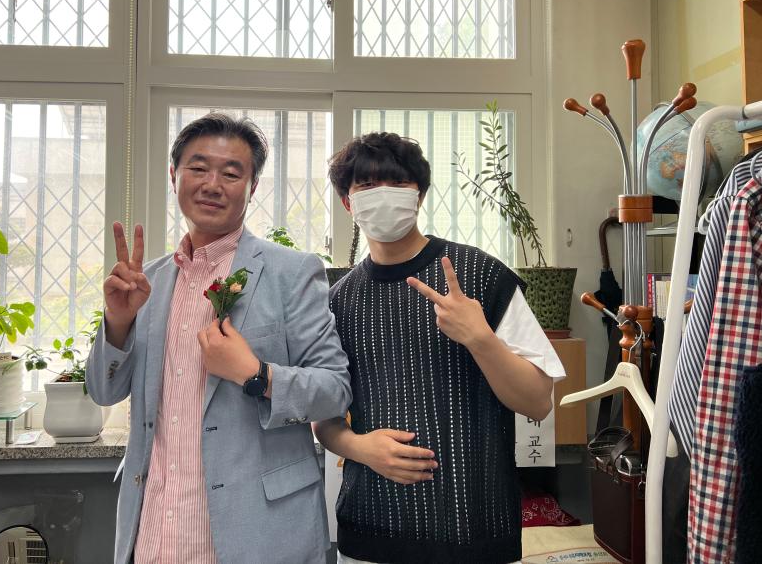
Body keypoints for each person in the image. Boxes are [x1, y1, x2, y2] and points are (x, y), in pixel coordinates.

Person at [87, 113, 351, 564]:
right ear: (174, 175)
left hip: (256, 532)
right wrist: (118, 321)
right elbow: (103, 391)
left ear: (252, 187)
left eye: (231, 173)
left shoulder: (291, 273)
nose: (212, 184)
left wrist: (257, 374)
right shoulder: (147, 282)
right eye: (198, 167)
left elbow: (334, 390)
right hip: (156, 528)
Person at [314, 131, 565, 564]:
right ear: (347, 203)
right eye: (367, 185)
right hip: (370, 530)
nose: (383, 195)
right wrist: (360, 448)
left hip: (473, 530)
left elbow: (538, 401)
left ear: (420, 195)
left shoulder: (482, 276)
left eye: (397, 183)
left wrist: (480, 339)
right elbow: (324, 418)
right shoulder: (338, 300)